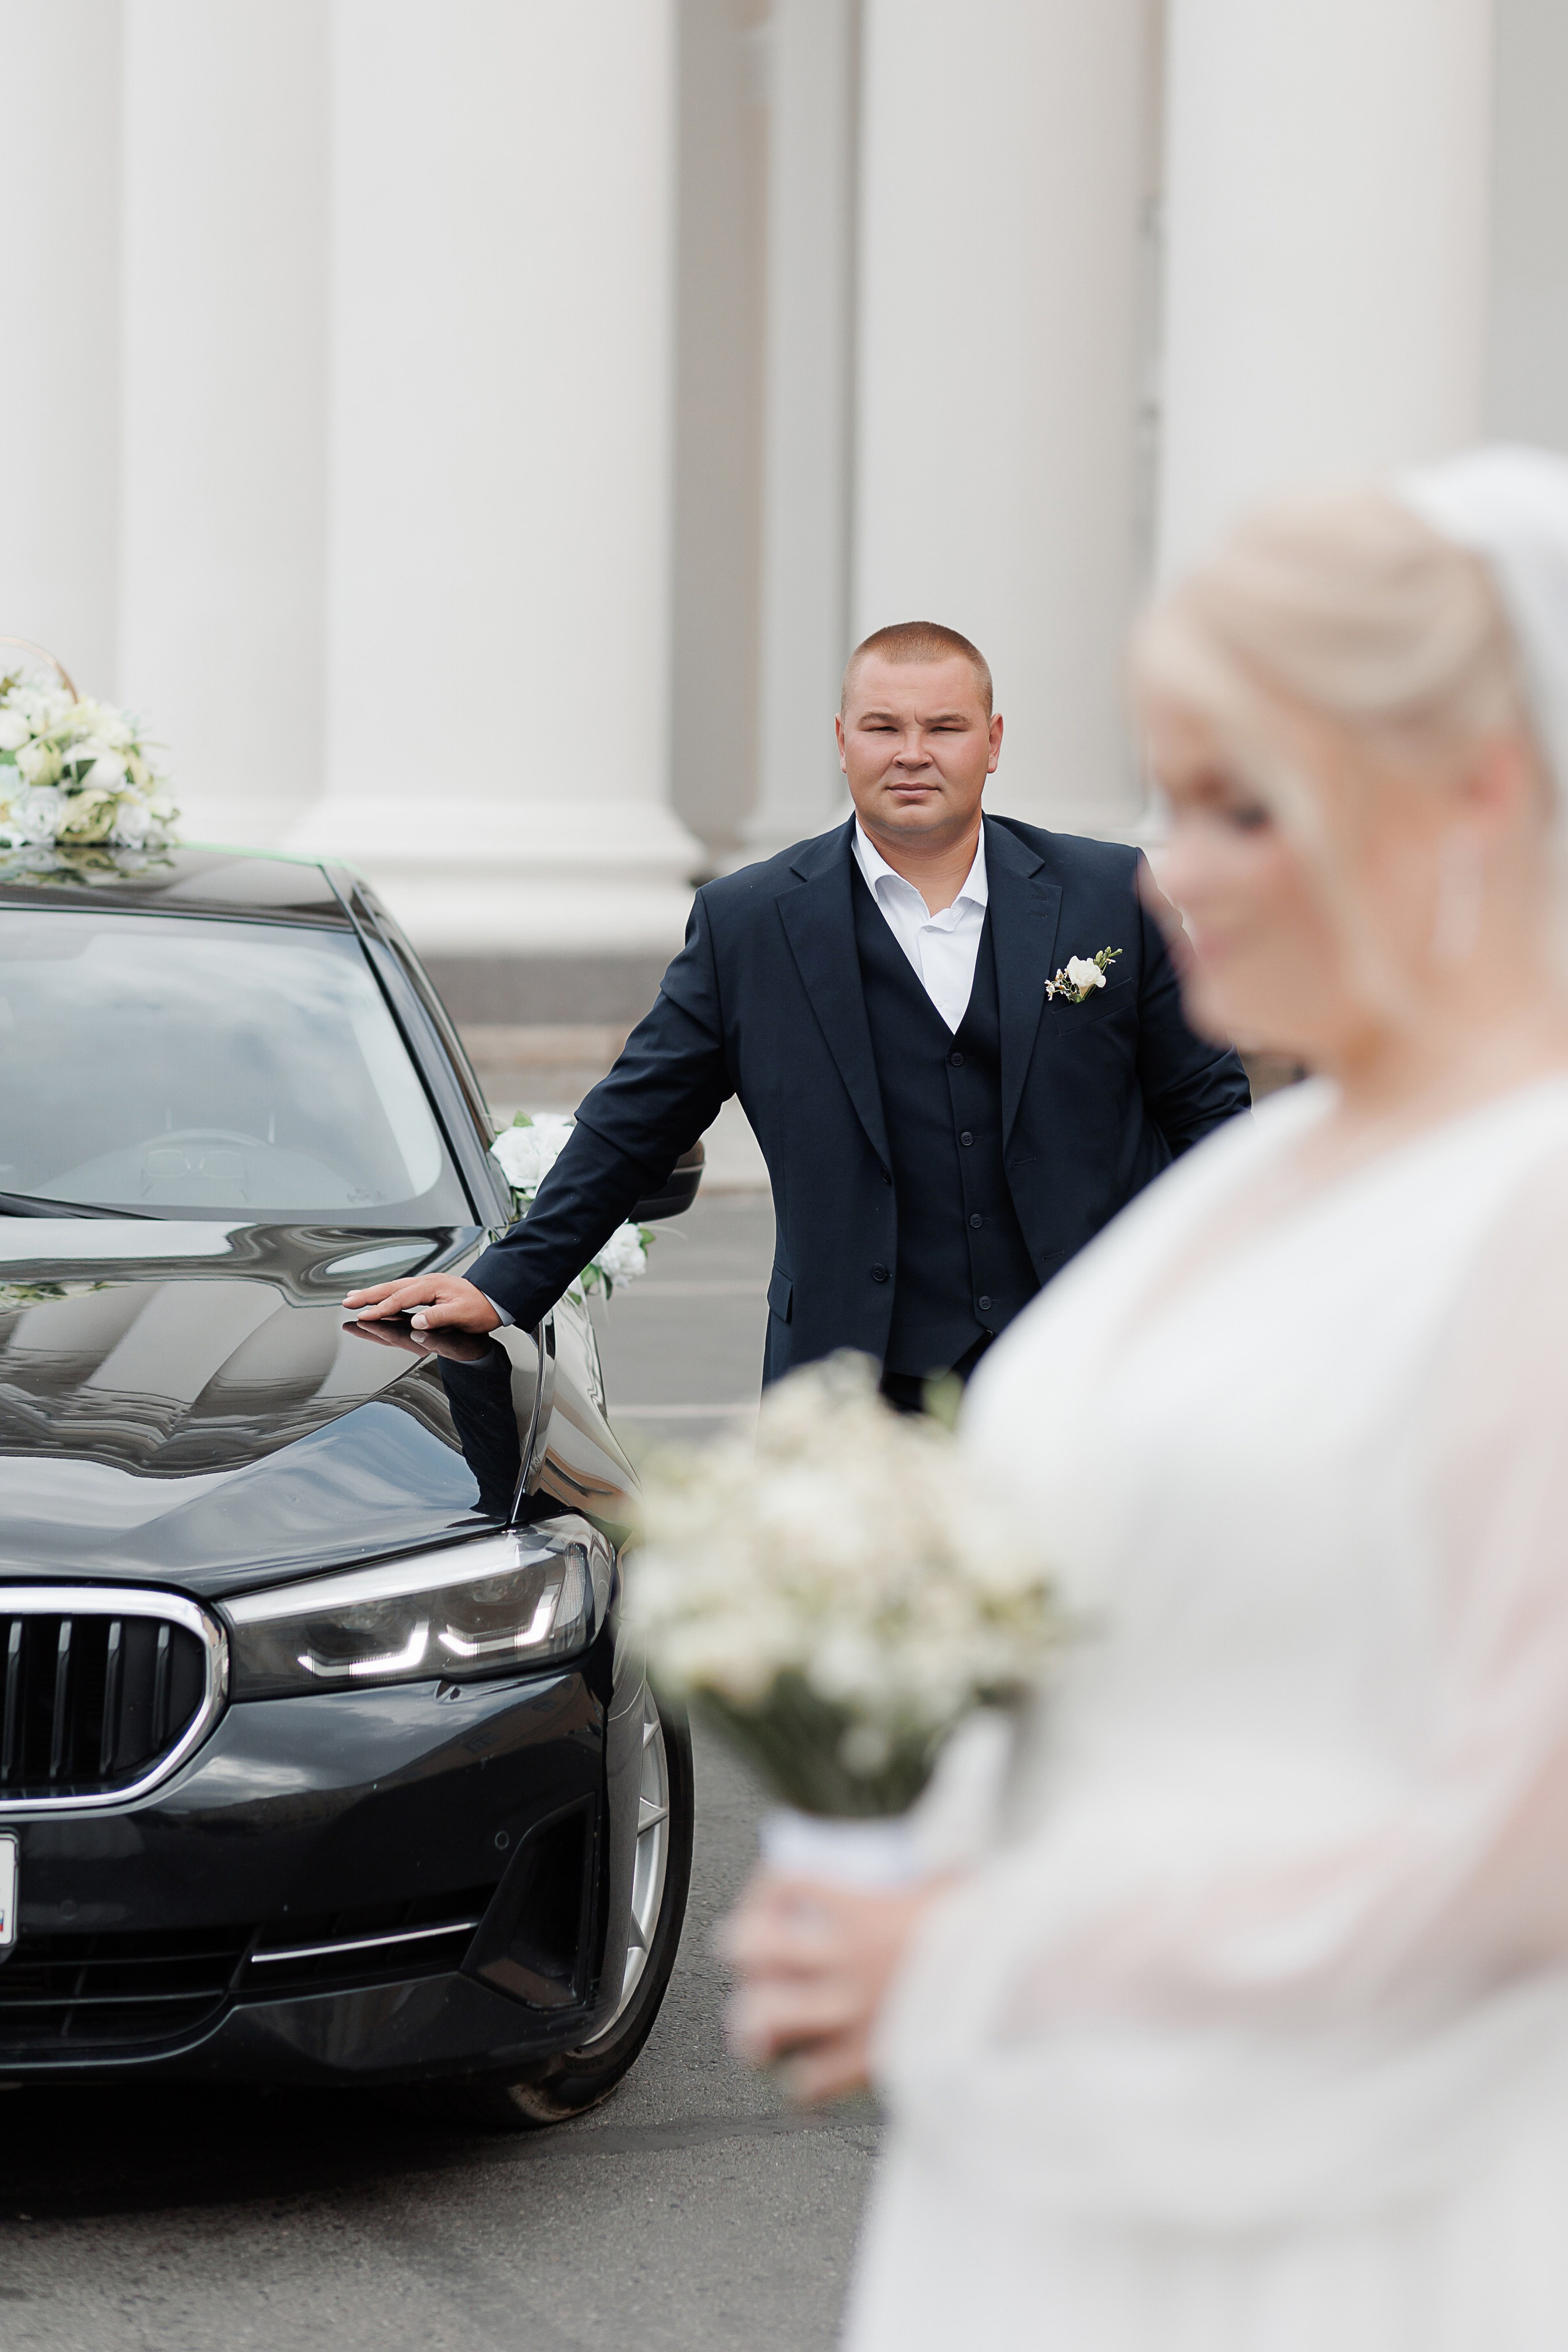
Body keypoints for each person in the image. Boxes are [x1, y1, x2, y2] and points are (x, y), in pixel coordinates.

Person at [723, 449, 1568, 2350]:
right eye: (1167, 797)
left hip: (1340, 2219)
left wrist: (979, 1952)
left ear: (1476, 796)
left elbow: (1529, 1859)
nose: (1166, 877)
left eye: (1240, 807)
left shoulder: (1537, 1211)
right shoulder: (1265, 1182)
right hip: (1057, 2177)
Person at [344, 622, 1248, 1397]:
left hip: (1090, 1356)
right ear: (843, 739)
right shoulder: (751, 923)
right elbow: (635, 1122)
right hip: (856, 1379)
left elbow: (1209, 1108)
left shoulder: (1105, 893)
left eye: (944, 726)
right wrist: (505, 1285)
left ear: (994, 739)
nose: (913, 752)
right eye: (883, 726)